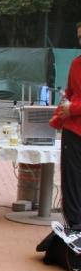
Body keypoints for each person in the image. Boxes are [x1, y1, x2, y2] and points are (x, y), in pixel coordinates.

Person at [50, 22, 81, 232]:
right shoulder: (76, 63)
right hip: (73, 131)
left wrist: (74, 108)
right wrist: (59, 115)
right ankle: (75, 227)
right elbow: (70, 93)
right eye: (79, 36)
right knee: (71, 181)